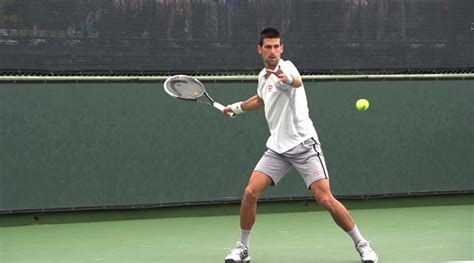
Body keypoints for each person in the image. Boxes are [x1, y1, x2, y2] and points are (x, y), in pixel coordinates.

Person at [222, 27, 378, 263]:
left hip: (304, 145)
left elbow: (296, 81)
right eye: (268, 47)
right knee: (250, 192)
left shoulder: (287, 68)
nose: (273, 51)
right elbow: (261, 99)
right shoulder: (262, 78)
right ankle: (242, 248)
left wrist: (288, 78)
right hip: (277, 148)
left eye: (277, 47)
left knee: (325, 198)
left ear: (282, 48)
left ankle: (363, 244)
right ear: (260, 49)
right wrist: (236, 108)